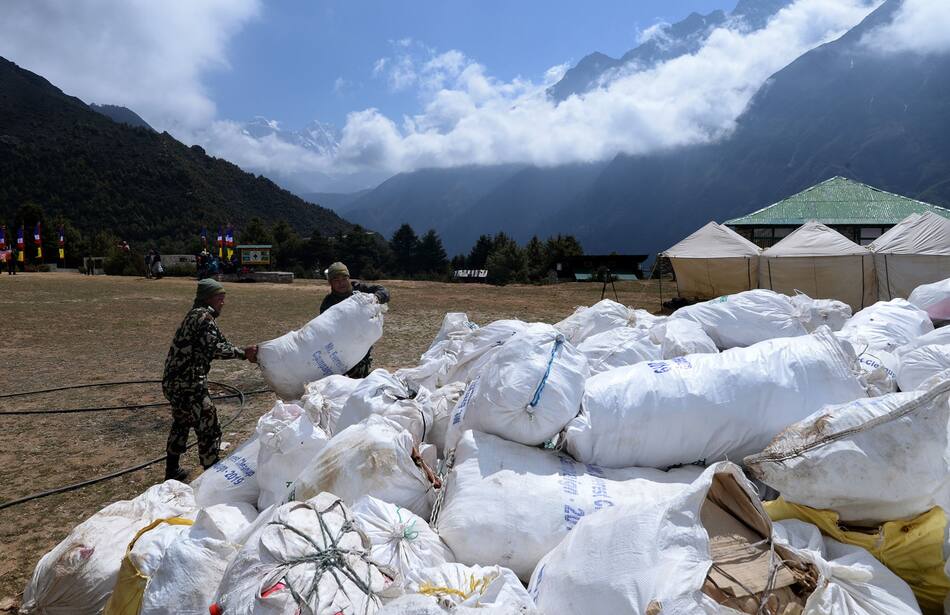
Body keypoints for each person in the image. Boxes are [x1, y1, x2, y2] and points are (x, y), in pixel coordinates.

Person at [161, 278, 258, 481]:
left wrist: (244, 351)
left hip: (175, 382)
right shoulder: (203, 318)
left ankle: (172, 471)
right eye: (219, 298)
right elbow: (215, 348)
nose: (223, 302)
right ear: (209, 298)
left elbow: (220, 340)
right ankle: (212, 473)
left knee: (182, 421)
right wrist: (243, 353)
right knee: (209, 424)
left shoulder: (198, 315)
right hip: (188, 384)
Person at [320, 262, 389, 378]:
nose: (341, 283)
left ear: (349, 278)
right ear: (330, 283)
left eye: (344, 278)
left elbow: (384, 292)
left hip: (362, 346)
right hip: (341, 350)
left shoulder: (360, 289)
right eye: (336, 280)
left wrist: (375, 298)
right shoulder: (328, 303)